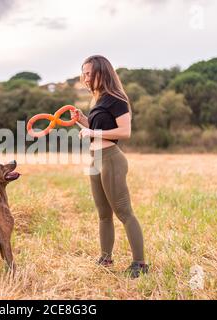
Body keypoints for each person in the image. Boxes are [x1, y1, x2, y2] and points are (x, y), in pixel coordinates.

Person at [71, 55, 148, 278]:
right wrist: (82, 119)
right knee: (103, 214)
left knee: (124, 213)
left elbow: (124, 132)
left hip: (111, 159)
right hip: (95, 158)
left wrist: (92, 131)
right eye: (83, 73)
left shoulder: (117, 99)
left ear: (101, 73)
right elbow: (95, 128)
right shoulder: (99, 99)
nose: (85, 78)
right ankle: (105, 258)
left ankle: (140, 264)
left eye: (88, 73)